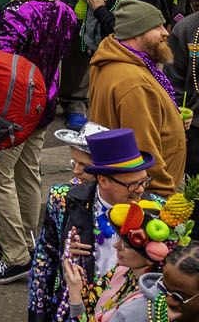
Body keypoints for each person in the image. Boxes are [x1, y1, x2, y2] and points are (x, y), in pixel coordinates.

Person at [0, 0, 78, 286]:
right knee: (27, 172)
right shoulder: (65, 11)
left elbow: (2, 63)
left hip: (13, 106)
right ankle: (29, 242)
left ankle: (17, 255)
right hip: (45, 100)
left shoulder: (17, 12)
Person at [30, 127, 155, 322]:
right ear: (103, 180)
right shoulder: (62, 198)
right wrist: (38, 315)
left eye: (144, 181)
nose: (140, 190)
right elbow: (43, 261)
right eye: (131, 184)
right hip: (74, 309)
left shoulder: (157, 210)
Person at [89, 0, 185, 197]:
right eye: (156, 27)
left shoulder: (114, 57)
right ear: (136, 32)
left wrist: (170, 117)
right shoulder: (134, 82)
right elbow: (144, 148)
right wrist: (162, 195)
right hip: (146, 194)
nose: (165, 32)